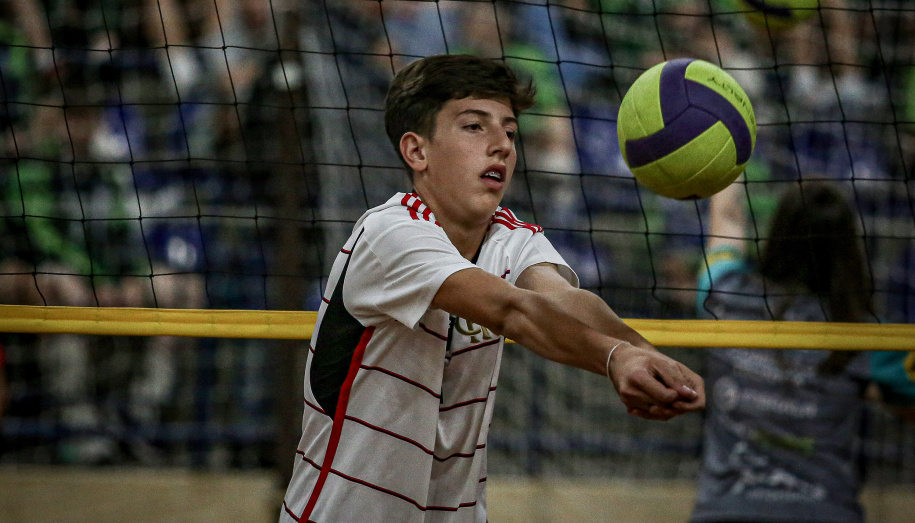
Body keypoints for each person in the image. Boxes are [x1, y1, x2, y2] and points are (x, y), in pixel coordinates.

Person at [280, 54, 705, 522]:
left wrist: (647, 356)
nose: (501, 145)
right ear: (417, 152)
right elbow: (514, 311)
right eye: (475, 127)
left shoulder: (511, 237)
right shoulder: (389, 234)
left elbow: (562, 299)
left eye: (509, 131)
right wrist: (614, 358)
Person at [691, 178, 915, 522]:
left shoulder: (723, 295)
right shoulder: (870, 337)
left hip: (726, 511)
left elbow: (727, 220)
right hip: (825, 512)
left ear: (777, 235)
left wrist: (729, 161)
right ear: (848, 250)